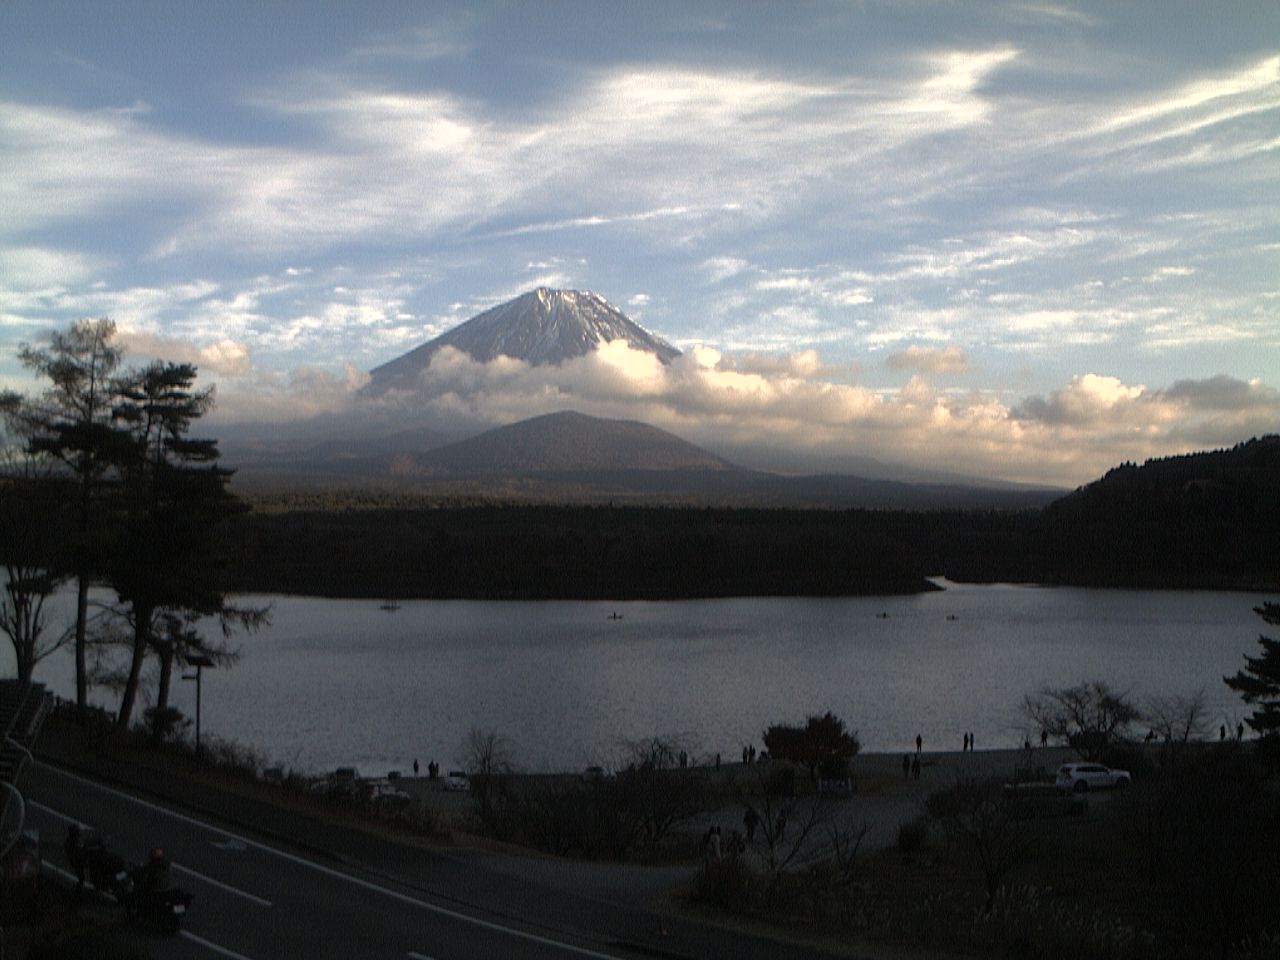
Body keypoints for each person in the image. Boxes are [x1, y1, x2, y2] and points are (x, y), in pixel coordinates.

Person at [65, 824, 86, 897]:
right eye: (77, 831)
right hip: (77, 861)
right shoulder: (70, 842)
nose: (78, 832)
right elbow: (74, 854)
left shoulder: (76, 840)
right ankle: (78, 894)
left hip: (80, 859)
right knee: (81, 878)